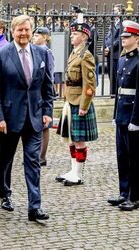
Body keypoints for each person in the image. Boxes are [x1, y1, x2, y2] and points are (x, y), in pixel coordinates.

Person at [0, 15, 54, 222]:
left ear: (32, 31)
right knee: (6, 160)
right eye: (20, 30)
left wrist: (47, 112)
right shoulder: (1, 54)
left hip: (34, 118)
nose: (24, 33)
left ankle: (34, 206)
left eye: (27, 30)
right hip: (9, 119)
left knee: (33, 162)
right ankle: (5, 193)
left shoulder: (42, 53)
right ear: (13, 31)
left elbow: (48, 87)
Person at [55, 22, 98, 186]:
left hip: (79, 101)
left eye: (75, 34)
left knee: (79, 139)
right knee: (71, 139)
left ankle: (78, 174)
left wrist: (84, 105)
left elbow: (90, 84)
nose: (72, 36)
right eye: (72, 34)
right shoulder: (74, 53)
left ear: (84, 37)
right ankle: (73, 171)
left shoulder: (86, 55)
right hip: (70, 99)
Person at [107, 20, 139, 211]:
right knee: (122, 155)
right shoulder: (122, 59)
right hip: (122, 115)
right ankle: (123, 192)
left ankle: (135, 196)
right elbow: (119, 91)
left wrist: (136, 120)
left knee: (135, 158)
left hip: (133, 116)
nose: (123, 39)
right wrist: (115, 114)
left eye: (127, 36)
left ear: (137, 38)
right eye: (123, 36)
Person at [32, 26, 55, 166]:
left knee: (44, 125)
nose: (34, 37)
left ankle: (42, 156)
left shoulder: (47, 52)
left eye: (37, 35)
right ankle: (35, 154)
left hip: (43, 91)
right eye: (33, 35)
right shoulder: (33, 51)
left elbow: (49, 73)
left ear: (45, 37)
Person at [104, 4, 124, 96]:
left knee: (116, 76)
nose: (113, 12)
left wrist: (109, 48)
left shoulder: (121, 24)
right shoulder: (113, 22)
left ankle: (115, 94)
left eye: (115, 11)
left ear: (120, 12)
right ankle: (112, 94)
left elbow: (118, 40)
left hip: (116, 54)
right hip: (109, 54)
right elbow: (108, 37)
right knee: (111, 76)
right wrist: (104, 47)